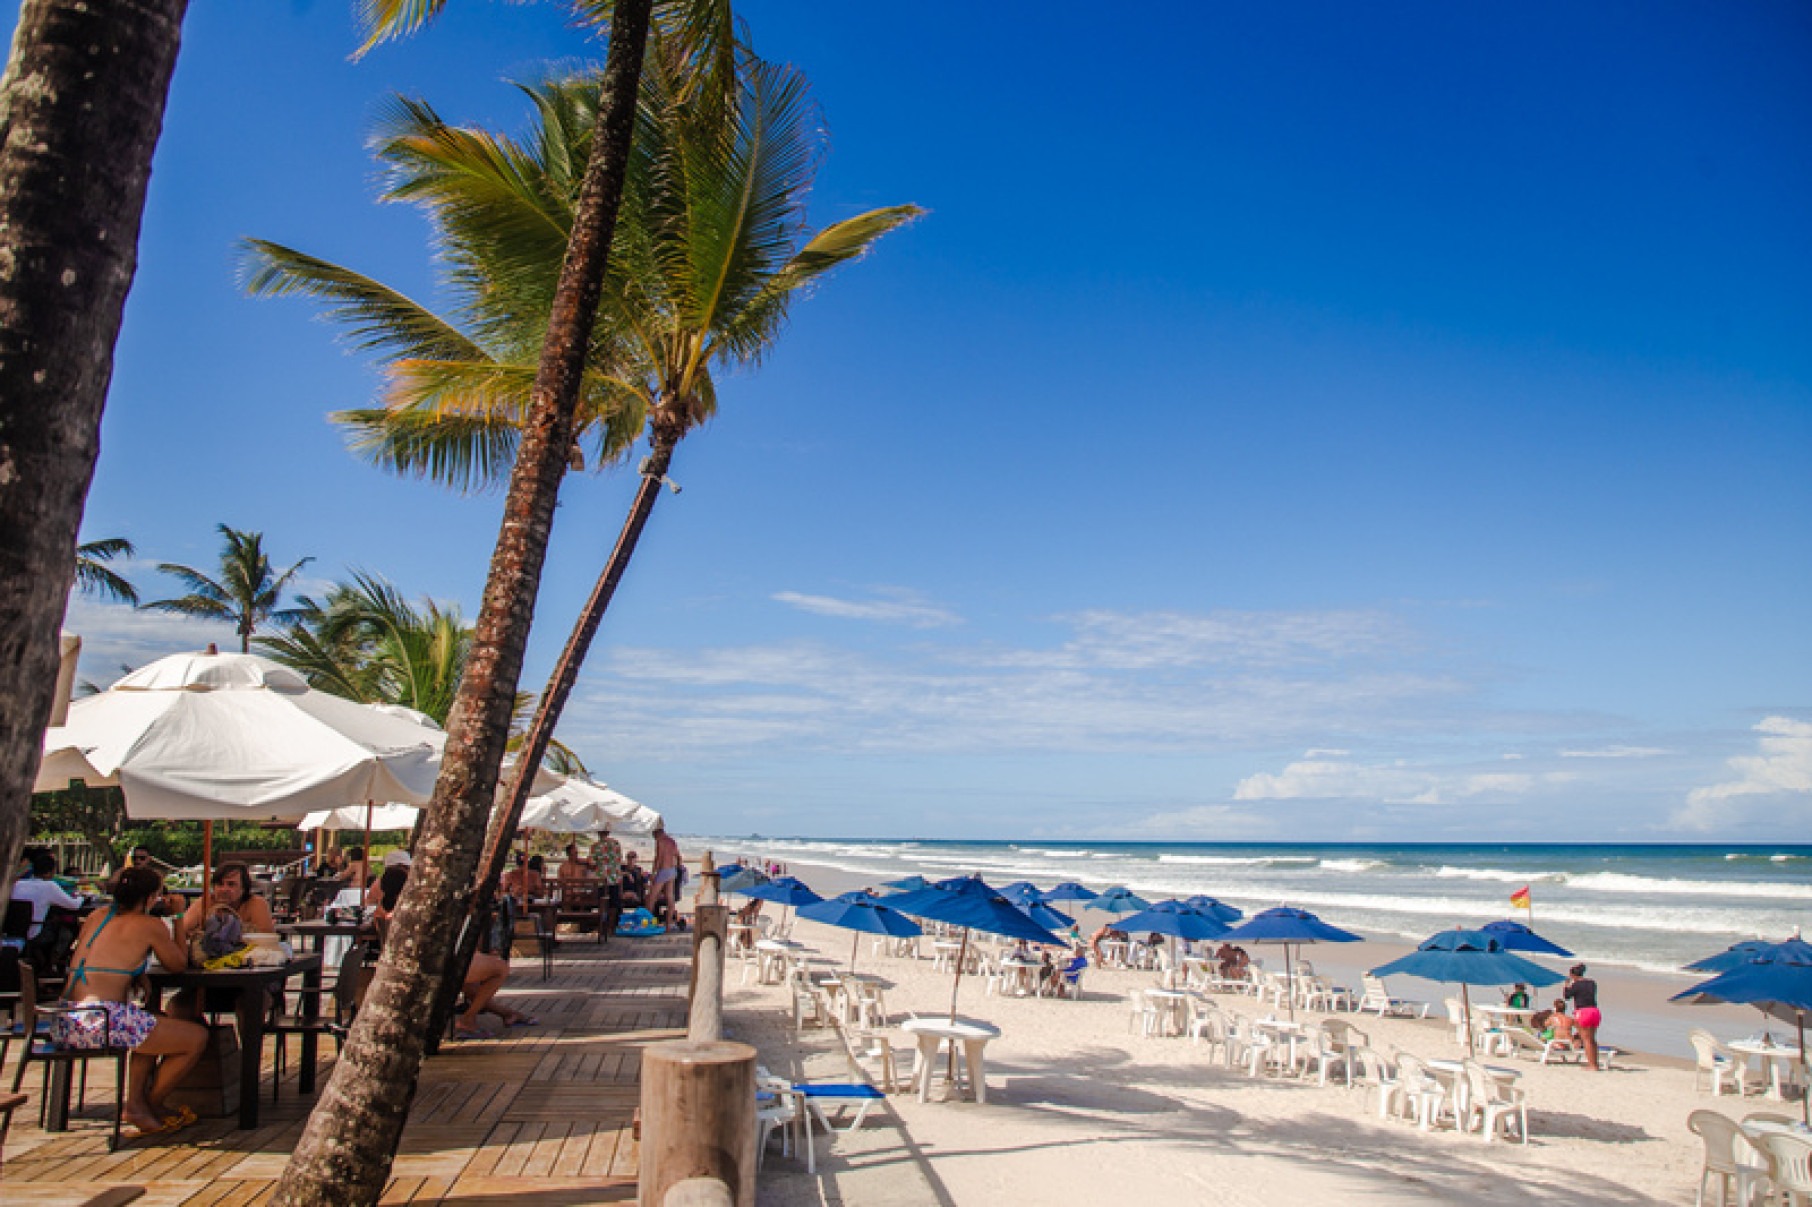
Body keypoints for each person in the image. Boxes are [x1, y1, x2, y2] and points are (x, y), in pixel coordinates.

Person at [60, 866, 209, 1137]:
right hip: (102, 1022)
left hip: (67, 1019)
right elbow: (177, 964)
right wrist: (177, 916)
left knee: (152, 1025)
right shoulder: (149, 925)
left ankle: (139, 1104)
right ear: (152, 897)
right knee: (196, 1037)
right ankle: (147, 1104)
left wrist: (138, 974)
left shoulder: (96, 917)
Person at [181, 862, 275, 935]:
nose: (224, 889)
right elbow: (183, 929)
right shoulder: (204, 903)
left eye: (231, 884)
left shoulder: (256, 904)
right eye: (220, 884)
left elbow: (266, 936)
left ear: (244, 888)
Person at [10, 849, 82, 938]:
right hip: (35, 932)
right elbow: (74, 905)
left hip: (13, 930)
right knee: (66, 929)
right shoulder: (49, 886)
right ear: (49, 873)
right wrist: (79, 895)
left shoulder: (17, 884)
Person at [1564, 963, 1603, 1070]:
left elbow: (1567, 996)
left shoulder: (1575, 985)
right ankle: (1595, 1063)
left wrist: (1566, 985)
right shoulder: (1592, 983)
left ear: (1572, 975)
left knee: (1585, 1039)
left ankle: (1592, 1065)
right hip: (1594, 1011)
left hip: (1583, 1012)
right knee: (1592, 1039)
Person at [596, 825, 624, 940]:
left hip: (602, 879)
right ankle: (611, 928)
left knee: (602, 904)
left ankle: (603, 927)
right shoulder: (616, 844)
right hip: (614, 877)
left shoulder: (596, 846)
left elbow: (592, 862)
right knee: (613, 904)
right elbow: (619, 859)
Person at [649, 824, 681, 920]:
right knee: (670, 898)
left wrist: (654, 873)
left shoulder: (660, 842)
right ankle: (668, 925)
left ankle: (648, 921)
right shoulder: (672, 841)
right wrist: (678, 868)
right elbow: (678, 856)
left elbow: (659, 858)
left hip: (664, 870)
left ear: (657, 833)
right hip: (672, 871)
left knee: (652, 897)